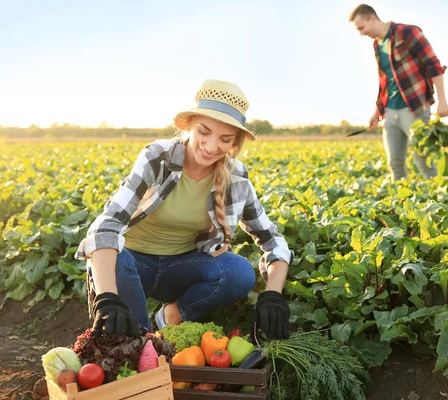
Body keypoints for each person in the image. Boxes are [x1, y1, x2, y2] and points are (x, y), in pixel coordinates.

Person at [74, 79, 292, 340]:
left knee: (237, 273)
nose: (211, 147)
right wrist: (107, 298)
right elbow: (107, 225)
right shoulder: (158, 157)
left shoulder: (236, 178)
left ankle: (170, 318)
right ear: (189, 125)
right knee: (135, 343)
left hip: (180, 268)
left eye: (224, 139)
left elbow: (272, 239)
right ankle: (140, 339)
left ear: (234, 143)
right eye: (204, 132)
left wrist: (272, 295)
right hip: (130, 266)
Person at [349, 4, 448, 181]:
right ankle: (401, 204)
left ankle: (438, 199)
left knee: (422, 160)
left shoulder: (407, 33)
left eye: (361, 28)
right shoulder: (377, 45)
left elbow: (433, 64)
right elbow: (385, 80)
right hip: (390, 111)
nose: (361, 33)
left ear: (372, 18)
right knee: (395, 162)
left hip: (414, 108)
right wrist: (377, 111)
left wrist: (442, 101)